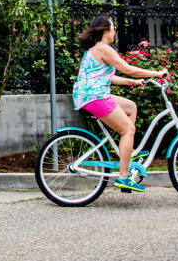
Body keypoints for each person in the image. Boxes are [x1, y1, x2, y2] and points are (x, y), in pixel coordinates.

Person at [72, 14, 168, 193]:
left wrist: (132, 82)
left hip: (92, 95)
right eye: (113, 28)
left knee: (131, 108)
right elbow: (127, 69)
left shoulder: (96, 49)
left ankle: (127, 154)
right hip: (95, 97)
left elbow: (109, 77)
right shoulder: (103, 48)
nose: (115, 31)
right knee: (128, 130)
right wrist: (156, 73)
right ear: (106, 31)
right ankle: (124, 177)